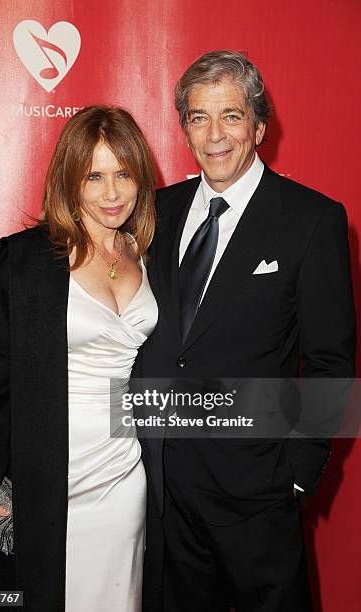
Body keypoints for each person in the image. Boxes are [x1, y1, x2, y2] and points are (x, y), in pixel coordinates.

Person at [135, 50, 356, 611]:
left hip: (258, 495)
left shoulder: (311, 219)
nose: (214, 135)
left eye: (231, 116)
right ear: (184, 126)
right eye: (198, 117)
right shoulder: (155, 210)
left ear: (259, 125)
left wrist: (297, 477)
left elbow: (331, 361)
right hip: (161, 490)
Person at [0, 105, 158, 611]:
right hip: (42, 472)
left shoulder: (148, 250)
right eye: (94, 176)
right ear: (70, 179)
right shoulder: (27, 261)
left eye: (123, 174)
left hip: (123, 473)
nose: (112, 194)